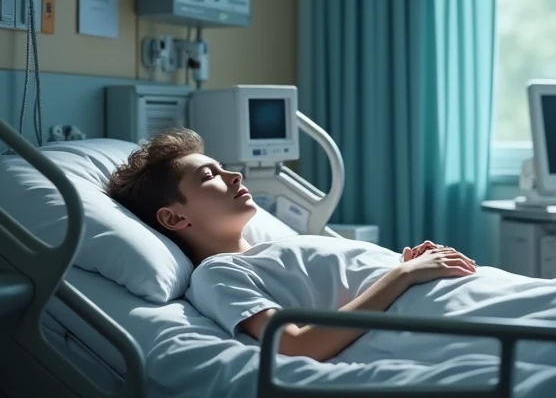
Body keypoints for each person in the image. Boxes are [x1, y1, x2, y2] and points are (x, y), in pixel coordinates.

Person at [105, 128, 479, 362]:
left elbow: (336, 287)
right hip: (430, 319)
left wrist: (404, 263)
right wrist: (401, 275)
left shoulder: (272, 249)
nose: (234, 174)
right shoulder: (216, 274)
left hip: (443, 295)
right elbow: (298, 346)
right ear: (174, 218)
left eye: (222, 167)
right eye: (209, 176)